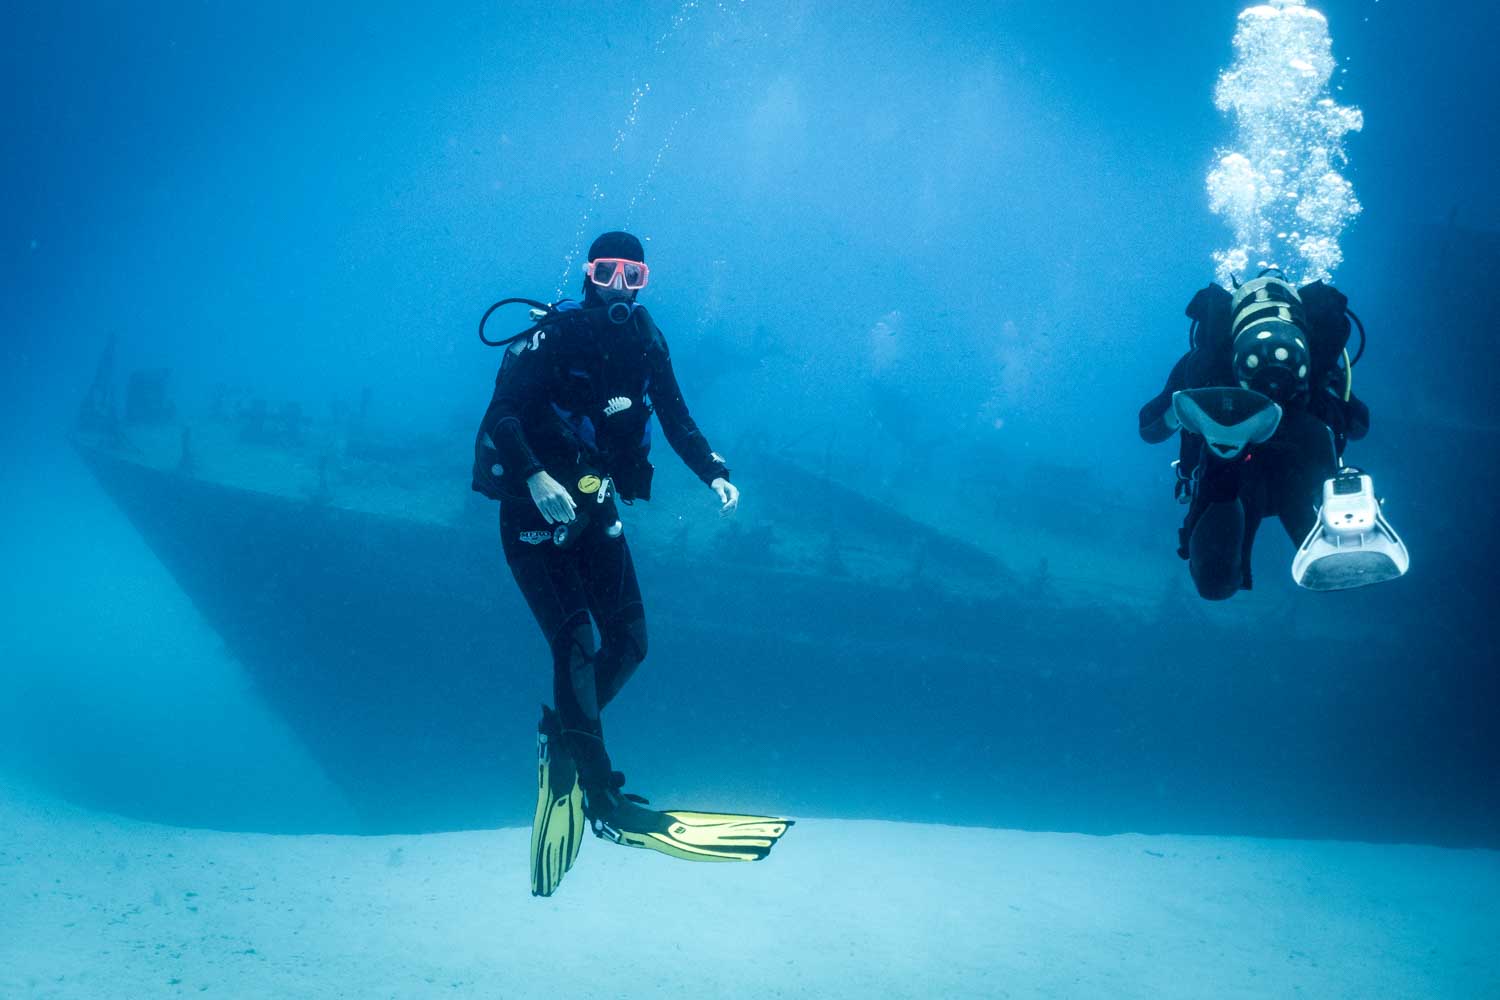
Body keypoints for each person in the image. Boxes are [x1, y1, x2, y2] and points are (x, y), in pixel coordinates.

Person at [472, 231, 791, 896]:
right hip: (533, 511)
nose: (619, 285)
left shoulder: (647, 341)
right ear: (589, 274)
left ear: (644, 280)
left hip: (593, 505)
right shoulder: (551, 337)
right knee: (577, 646)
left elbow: (675, 415)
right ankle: (604, 799)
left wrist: (714, 472)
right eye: (608, 271)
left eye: (633, 274)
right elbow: (503, 413)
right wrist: (534, 478)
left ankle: (564, 735)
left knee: (631, 642)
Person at [1138, 271, 1375, 600]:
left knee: (1214, 581)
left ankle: (1233, 571)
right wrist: (1323, 404)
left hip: (1229, 472)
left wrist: (1184, 411)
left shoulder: (1207, 361)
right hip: (1295, 468)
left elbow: (1149, 429)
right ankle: (1340, 532)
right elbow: (1359, 425)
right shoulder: (1314, 361)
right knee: (1304, 508)